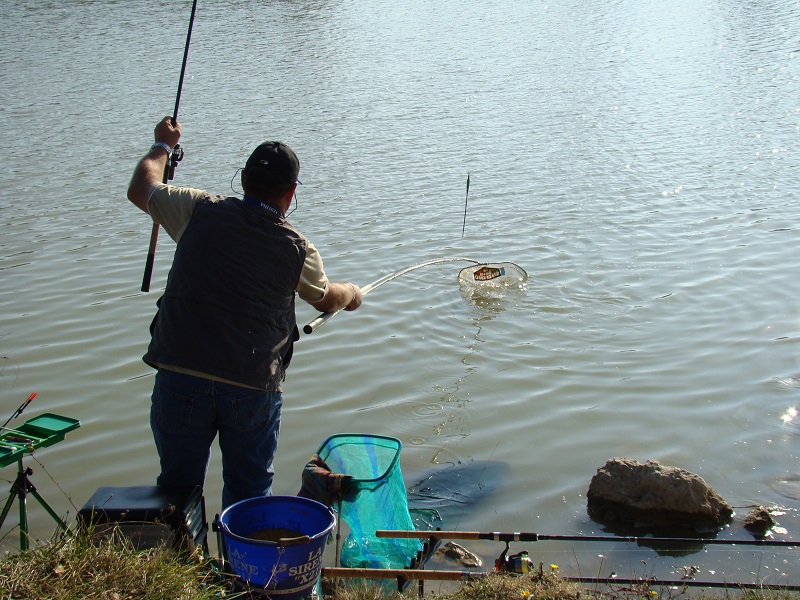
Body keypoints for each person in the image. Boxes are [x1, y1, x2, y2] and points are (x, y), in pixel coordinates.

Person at [127, 116, 362, 509]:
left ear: (243, 178)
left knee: (176, 492)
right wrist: (351, 293)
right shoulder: (297, 248)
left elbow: (141, 188)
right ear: (292, 191)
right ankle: (242, 550)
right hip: (252, 386)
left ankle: (179, 548)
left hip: (180, 375)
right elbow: (324, 298)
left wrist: (163, 146)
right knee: (249, 497)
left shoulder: (196, 208)